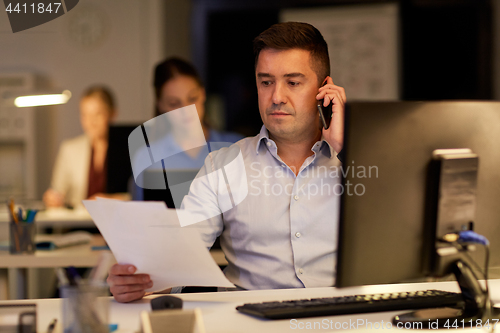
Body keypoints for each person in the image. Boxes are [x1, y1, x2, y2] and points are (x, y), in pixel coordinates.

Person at [108, 22, 346, 303]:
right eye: (266, 82)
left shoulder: (354, 160)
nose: (276, 97)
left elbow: (400, 240)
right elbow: (177, 255)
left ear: (324, 89)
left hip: (341, 317)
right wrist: (137, 280)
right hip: (250, 321)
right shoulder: (222, 165)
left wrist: (348, 150)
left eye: (293, 83)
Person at [132, 57, 244, 201]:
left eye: (192, 99)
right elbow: (140, 218)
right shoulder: (146, 158)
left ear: (203, 94)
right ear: (161, 106)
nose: (187, 110)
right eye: (174, 103)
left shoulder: (237, 147)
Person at [43, 86, 122, 209]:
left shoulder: (126, 150)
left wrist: (112, 200)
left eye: (98, 114)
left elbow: (137, 195)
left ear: (112, 114)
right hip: (79, 223)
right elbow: (58, 191)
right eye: (85, 115)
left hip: (116, 222)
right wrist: (53, 199)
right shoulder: (69, 150)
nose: (91, 121)